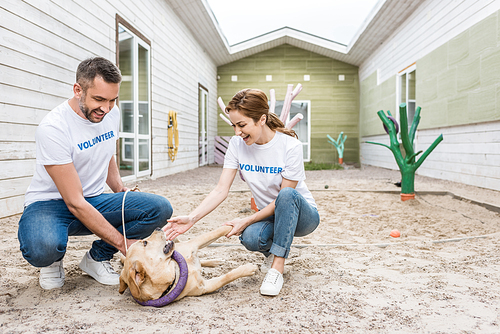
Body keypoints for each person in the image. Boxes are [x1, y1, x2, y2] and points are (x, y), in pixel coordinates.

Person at [18, 57, 173, 290]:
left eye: (112, 100)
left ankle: (96, 258)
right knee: (43, 248)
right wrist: (124, 244)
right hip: (49, 204)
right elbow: (75, 203)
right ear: (78, 90)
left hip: (94, 199)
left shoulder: (111, 113)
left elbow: (107, 152)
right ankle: (52, 261)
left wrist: (119, 189)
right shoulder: (54, 128)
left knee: (159, 208)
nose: (106, 108)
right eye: (99, 99)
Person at [164, 88, 320, 296]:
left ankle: (277, 268)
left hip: (302, 216)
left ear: (261, 119)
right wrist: (192, 218)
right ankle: (272, 254)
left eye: (242, 125)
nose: (237, 132)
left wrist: (246, 220)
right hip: (271, 215)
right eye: (234, 125)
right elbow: (221, 189)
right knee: (250, 238)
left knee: (286, 196)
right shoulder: (237, 145)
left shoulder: (290, 146)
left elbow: (286, 196)